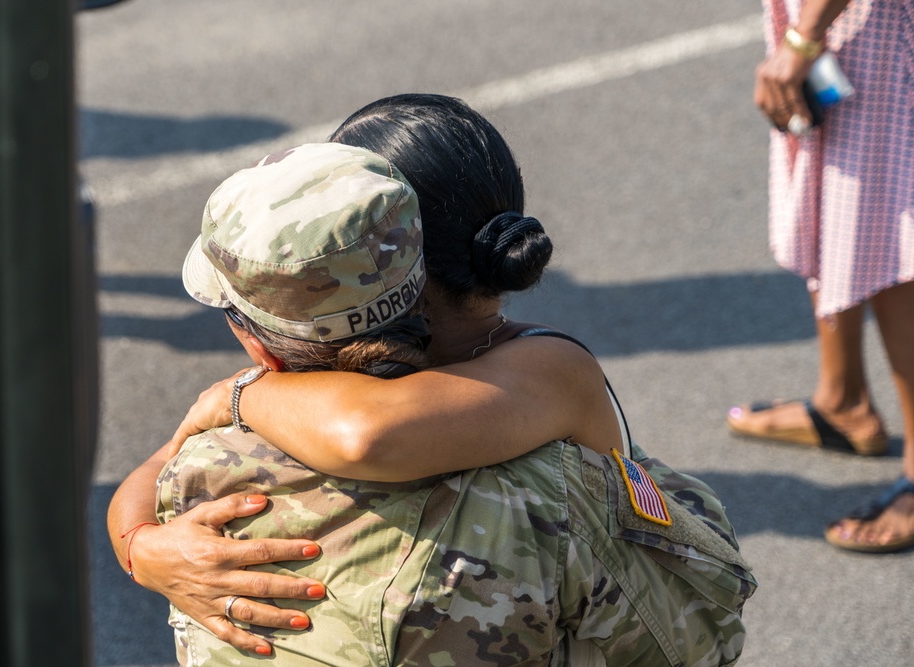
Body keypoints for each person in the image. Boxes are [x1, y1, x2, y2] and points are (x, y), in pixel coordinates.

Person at [108, 95, 755, 661]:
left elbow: (367, 433)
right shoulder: (327, 388)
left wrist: (238, 394)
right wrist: (143, 546)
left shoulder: (543, 372)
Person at [729, 0, 914, 553]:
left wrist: (805, 39)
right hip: (830, 18)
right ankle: (842, 399)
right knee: (835, 194)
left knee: (891, 226)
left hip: (870, 19)